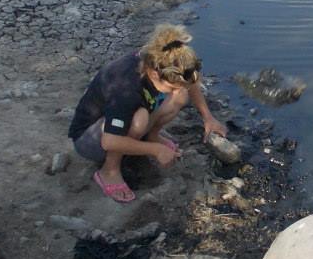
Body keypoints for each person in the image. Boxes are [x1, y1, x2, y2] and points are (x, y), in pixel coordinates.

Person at [68, 23, 227, 203]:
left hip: (122, 121)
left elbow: (189, 83)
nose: (173, 90)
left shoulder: (160, 57)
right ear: (153, 74)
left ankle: (150, 137)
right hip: (89, 139)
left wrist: (208, 117)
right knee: (139, 119)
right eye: (170, 86)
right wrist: (156, 150)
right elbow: (109, 140)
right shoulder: (126, 88)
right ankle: (109, 170)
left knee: (180, 95)